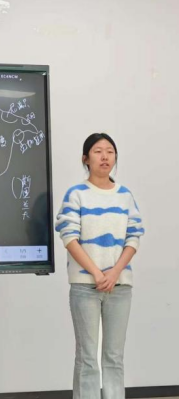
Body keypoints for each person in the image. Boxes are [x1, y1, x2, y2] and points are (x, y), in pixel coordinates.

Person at [55, 133, 145, 399]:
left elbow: (134, 236)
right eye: (97, 151)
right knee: (87, 358)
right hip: (85, 286)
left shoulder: (125, 196)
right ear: (86, 159)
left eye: (110, 151)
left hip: (120, 286)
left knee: (114, 357)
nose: (105, 156)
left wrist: (115, 272)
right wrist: (96, 273)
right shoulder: (76, 194)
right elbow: (69, 237)